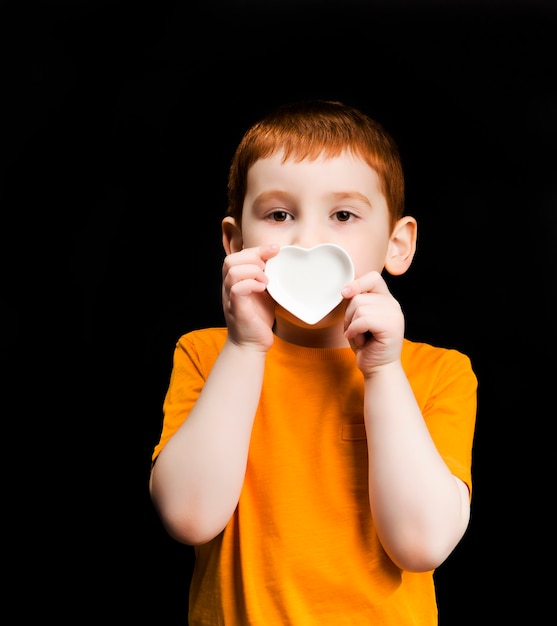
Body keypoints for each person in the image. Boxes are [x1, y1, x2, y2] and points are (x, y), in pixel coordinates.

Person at [149, 99, 477, 624]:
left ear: (397, 245)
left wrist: (383, 372)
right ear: (234, 243)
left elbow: (422, 545)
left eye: (343, 215)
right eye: (279, 215)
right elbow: (189, 518)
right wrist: (246, 347)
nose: (307, 241)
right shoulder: (207, 355)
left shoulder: (439, 374)